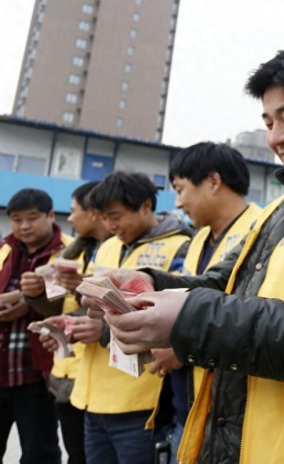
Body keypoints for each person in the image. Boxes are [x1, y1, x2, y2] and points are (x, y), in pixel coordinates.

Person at [100, 40, 284, 464]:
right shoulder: (278, 209)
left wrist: (190, 319)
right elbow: (222, 285)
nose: (277, 137)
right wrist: (153, 284)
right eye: (268, 121)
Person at [69, 172, 191, 464]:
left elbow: (171, 319)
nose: (111, 225)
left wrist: (101, 330)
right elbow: (93, 302)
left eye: (116, 216)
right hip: (93, 395)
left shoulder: (181, 247)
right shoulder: (108, 246)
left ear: (146, 205)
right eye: (104, 217)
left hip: (140, 401)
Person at [153, 141, 262, 464]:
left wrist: (183, 349)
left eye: (181, 189)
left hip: (232, 417)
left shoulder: (261, 230)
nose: (178, 202)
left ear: (213, 182)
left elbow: (254, 323)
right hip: (187, 409)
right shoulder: (198, 238)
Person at [25, 181, 110, 464]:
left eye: (74, 211)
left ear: (95, 213)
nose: (70, 218)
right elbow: (58, 304)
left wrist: (82, 286)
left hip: (105, 375)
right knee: (77, 454)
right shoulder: (73, 254)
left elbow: (122, 305)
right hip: (67, 372)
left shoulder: (120, 251)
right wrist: (35, 293)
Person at [0, 188, 66, 463]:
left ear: (51, 215)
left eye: (32, 217)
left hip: (39, 373)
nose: (23, 226)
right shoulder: (4, 249)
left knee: (40, 454)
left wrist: (31, 299)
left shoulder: (68, 250)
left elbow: (71, 304)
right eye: (16, 219)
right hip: (1, 368)